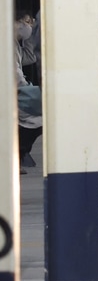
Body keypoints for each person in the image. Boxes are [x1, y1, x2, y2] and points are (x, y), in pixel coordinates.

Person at [14, 11, 41, 176]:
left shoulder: (15, 43)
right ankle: (20, 152)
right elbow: (15, 74)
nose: (28, 26)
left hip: (19, 90)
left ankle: (20, 153)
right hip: (15, 91)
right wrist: (28, 89)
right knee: (37, 119)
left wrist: (30, 39)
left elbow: (29, 58)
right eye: (25, 22)